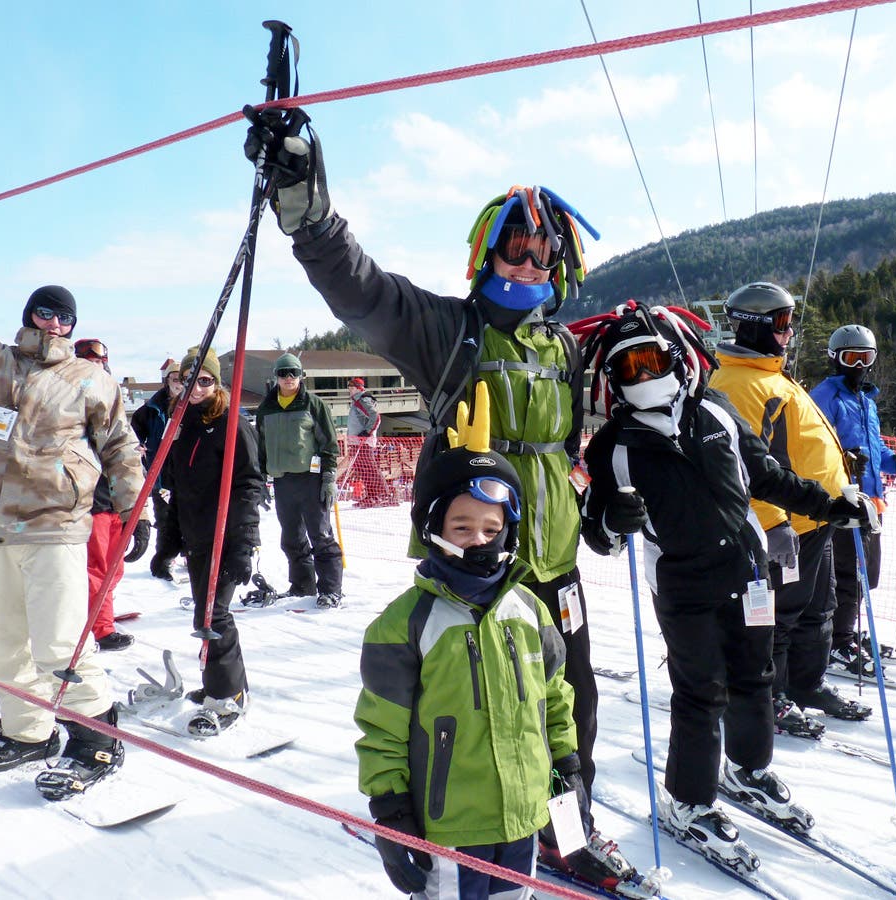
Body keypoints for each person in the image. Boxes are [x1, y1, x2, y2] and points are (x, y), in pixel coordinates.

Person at [244, 121, 629, 882]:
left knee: (570, 707)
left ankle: (561, 828)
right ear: (487, 252)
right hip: (474, 568)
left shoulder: (566, 351)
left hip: (553, 569)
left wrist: (605, 508)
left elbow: (572, 454)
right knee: (464, 713)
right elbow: (362, 291)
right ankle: (440, 826)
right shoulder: (447, 331)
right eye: (514, 245)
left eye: (543, 248)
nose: (529, 258)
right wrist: (307, 208)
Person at [572, 302, 868, 865]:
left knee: (756, 677)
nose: (642, 375)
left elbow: (767, 476)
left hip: (749, 570)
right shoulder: (614, 446)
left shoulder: (715, 409)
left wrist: (830, 505)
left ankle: (749, 769)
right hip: (683, 586)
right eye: (626, 366)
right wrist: (614, 522)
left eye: (650, 359)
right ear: (612, 378)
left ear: (675, 356)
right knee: (701, 690)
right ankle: (688, 800)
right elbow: (598, 535)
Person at [355, 385, 585, 900]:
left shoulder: (530, 610)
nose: (479, 539)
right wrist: (391, 808)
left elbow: (554, 699)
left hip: (523, 818)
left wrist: (567, 767)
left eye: (491, 527)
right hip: (450, 826)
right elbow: (381, 728)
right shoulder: (406, 625)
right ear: (433, 528)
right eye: (462, 527)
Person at [0, 286, 145, 799]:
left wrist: (135, 506)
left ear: (72, 325)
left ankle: (98, 737)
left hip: (53, 526)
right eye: (45, 313)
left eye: (64, 318)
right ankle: (27, 729)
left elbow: (120, 445)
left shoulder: (90, 379)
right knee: (4, 639)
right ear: (29, 315)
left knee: (59, 639)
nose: (53, 324)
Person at [707, 282, 872, 735]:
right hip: (784, 527)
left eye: (789, 321)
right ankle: (772, 695)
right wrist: (773, 524)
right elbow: (746, 465)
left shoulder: (771, 375)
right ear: (757, 326)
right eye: (782, 322)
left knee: (818, 608)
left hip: (815, 518)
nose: (790, 331)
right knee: (777, 618)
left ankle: (806, 683)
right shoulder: (738, 384)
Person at [809, 324, 896, 677]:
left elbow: (872, 451)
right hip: (843, 498)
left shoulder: (865, 401)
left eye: (866, 357)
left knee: (866, 576)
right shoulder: (824, 398)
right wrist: (845, 463)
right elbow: (815, 449)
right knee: (847, 573)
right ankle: (837, 639)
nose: (859, 365)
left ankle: (843, 628)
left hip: (872, 500)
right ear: (835, 359)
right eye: (851, 357)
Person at [164, 347, 262, 734]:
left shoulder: (231, 423)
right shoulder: (182, 424)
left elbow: (249, 485)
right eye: (188, 380)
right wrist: (167, 543)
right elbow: (176, 488)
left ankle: (231, 694)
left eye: (204, 380)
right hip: (196, 535)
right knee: (204, 615)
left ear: (216, 384)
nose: (196, 387)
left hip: (225, 536)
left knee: (214, 615)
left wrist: (243, 544)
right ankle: (216, 685)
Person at [73, 338, 149, 651]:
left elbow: (122, 451)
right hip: (89, 504)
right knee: (97, 570)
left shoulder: (111, 404)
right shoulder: (68, 407)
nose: (95, 368)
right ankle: (101, 628)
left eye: (99, 363)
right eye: (86, 362)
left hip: (116, 503)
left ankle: (98, 615)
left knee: (114, 569)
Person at [254, 352, 343, 606]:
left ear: (301, 375)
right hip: (283, 481)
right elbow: (261, 448)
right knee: (291, 537)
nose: (289, 378)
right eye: (283, 373)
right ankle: (303, 586)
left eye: (294, 372)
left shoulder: (314, 405)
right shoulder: (266, 409)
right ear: (276, 377)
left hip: (311, 480)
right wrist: (260, 480)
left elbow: (329, 445)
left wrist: (328, 478)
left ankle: (330, 590)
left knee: (321, 535)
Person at [131, 358, 185, 581]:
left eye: (182, 380)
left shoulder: (191, 403)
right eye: (174, 379)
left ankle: (191, 555)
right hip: (161, 473)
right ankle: (163, 561)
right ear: (167, 381)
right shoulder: (152, 408)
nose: (178, 384)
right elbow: (134, 433)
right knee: (164, 519)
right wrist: (139, 447)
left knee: (190, 517)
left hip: (187, 472)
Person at [346, 376, 393, 508]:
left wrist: (366, 432)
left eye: (352, 387)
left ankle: (382, 494)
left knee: (369, 468)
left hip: (363, 441)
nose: (350, 390)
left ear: (359, 388)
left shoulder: (362, 399)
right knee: (362, 469)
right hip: (357, 441)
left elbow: (375, 416)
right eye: (349, 387)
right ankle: (372, 495)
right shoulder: (357, 401)